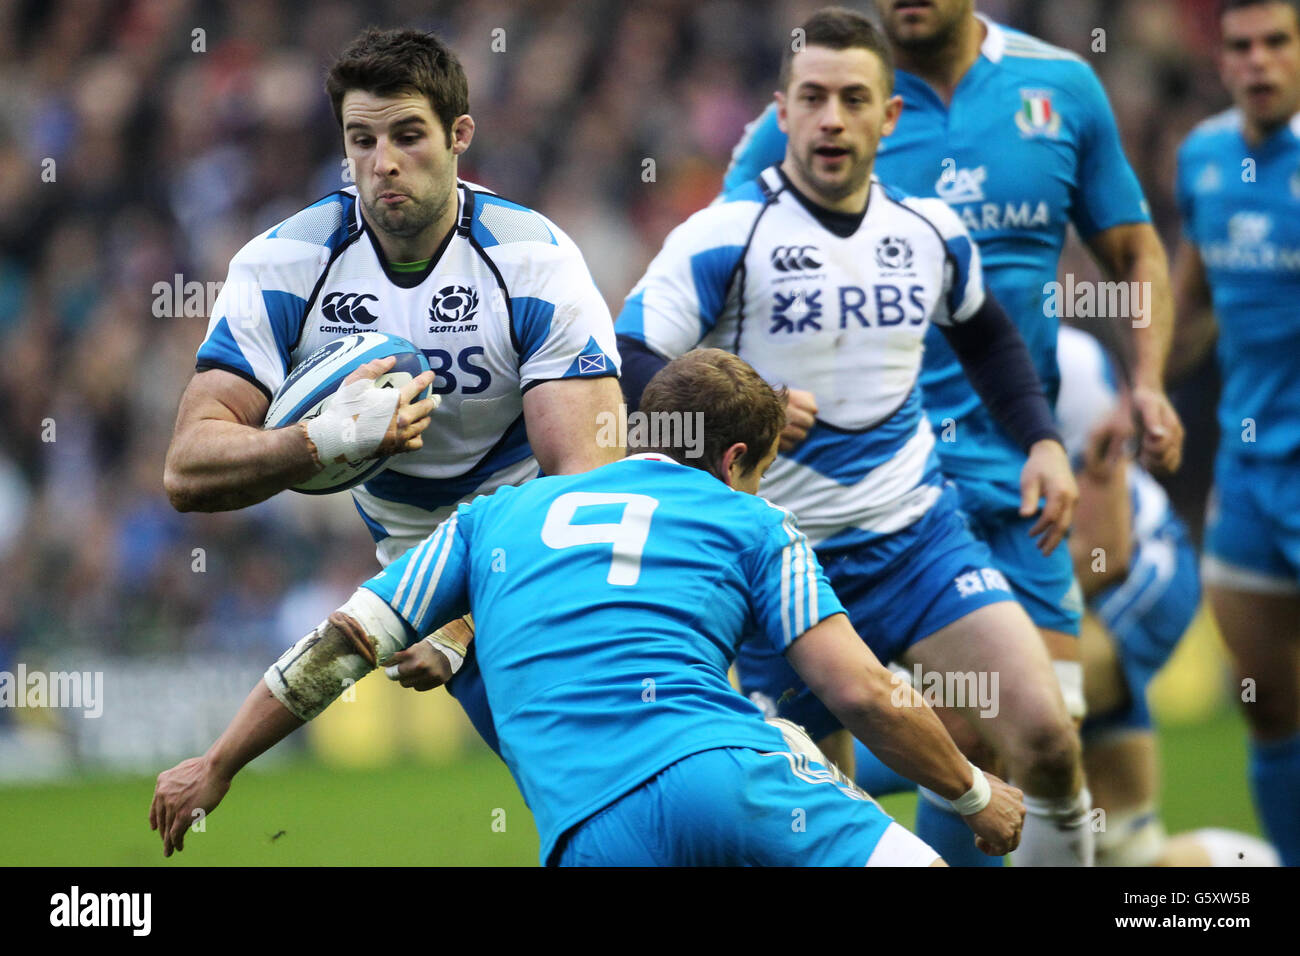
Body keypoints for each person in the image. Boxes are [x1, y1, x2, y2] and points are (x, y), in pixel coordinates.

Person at [150, 348, 1027, 866]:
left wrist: (219, 762)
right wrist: (972, 791)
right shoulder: (747, 515)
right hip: (727, 773)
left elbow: (342, 644)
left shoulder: (490, 516)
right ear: (735, 460)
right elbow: (863, 692)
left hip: (588, 833)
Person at [715, 0, 1184, 866]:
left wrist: (1147, 380)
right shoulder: (819, 108)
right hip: (867, 492)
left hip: (1018, 481)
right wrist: (762, 396)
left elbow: (1132, 250)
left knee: (1043, 738)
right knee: (938, 747)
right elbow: (725, 275)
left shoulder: (1060, 89)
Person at [615, 9, 1089, 865]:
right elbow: (629, 356)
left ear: (888, 117)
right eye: (814, 97)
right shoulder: (723, 235)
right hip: (778, 565)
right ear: (783, 113)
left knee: (1044, 735)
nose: (832, 117)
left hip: (920, 540)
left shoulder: (930, 230)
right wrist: (742, 405)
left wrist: (1044, 441)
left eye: (853, 98)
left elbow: (985, 335)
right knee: (819, 828)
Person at [161, 27, 625, 750]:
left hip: (542, 556)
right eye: (362, 142)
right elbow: (187, 467)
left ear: (459, 134)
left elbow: (586, 485)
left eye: (409, 135)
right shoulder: (284, 263)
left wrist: (467, 618)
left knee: (612, 773)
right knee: (576, 791)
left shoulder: (535, 261)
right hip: (416, 577)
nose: (383, 165)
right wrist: (320, 442)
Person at [1173, 0, 1300, 867]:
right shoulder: (1205, 157)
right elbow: (1190, 303)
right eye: (1241, 46)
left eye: (1277, 43)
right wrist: (1138, 390)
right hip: (1250, 470)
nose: (1257, 61)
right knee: (1265, 704)